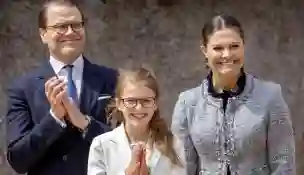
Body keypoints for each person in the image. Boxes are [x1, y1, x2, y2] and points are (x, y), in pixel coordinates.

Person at [171, 14, 296, 175]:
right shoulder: (187, 103)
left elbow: (284, 164)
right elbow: (181, 168)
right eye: (218, 48)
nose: (227, 54)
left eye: (234, 46)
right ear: (204, 51)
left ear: (244, 46)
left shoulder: (270, 97)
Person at [5, 1, 117, 175]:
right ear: (43, 34)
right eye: (61, 26)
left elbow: (127, 143)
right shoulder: (23, 88)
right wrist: (54, 118)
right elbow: (18, 160)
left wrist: (85, 124)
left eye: (76, 25)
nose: (71, 32)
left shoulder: (112, 79)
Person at [87, 66, 186, 175]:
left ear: (155, 104)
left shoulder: (173, 144)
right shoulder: (101, 145)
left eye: (146, 101)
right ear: (119, 104)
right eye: (131, 101)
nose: (139, 108)